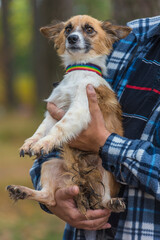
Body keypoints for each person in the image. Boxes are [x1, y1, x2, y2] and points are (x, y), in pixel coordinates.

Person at [30, 15, 160, 240]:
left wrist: (105, 143)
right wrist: (53, 194)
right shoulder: (130, 37)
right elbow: (62, 120)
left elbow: (88, 133)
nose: (75, 36)